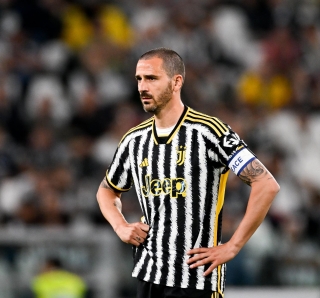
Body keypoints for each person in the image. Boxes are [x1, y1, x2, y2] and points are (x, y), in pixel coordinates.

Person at [96, 48, 280, 298]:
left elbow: (266, 184)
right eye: (139, 79)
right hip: (148, 275)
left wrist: (233, 246)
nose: (142, 87)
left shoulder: (210, 132)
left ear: (176, 82)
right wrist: (120, 227)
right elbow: (107, 191)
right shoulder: (133, 140)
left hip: (196, 280)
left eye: (151, 78)